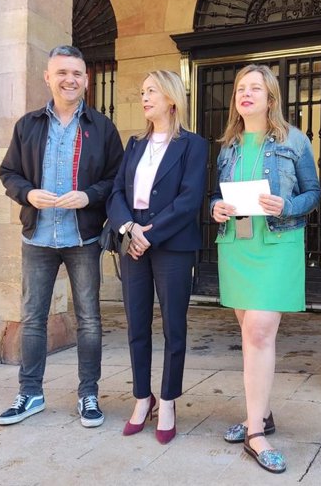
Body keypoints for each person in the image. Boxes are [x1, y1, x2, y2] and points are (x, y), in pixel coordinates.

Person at [0, 45, 124, 427]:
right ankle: (30, 393)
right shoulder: (28, 125)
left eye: (77, 74)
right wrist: (27, 193)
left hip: (83, 238)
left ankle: (88, 395)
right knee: (32, 318)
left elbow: (117, 180)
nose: (70, 80)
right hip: (37, 237)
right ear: (48, 78)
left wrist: (89, 196)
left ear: (87, 79)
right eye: (62, 73)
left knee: (89, 319)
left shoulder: (102, 128)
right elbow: (9, 173)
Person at [211, 64, 321, 473]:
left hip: (276, 245)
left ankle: (255, 433)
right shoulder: (229, 146)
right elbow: (216, 197)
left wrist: (287, 205)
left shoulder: (294, 139)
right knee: (249, 331)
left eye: (255, 88)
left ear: (270, 97)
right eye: (241, 88)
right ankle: (263, 414)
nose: (246, 94)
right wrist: (214, 208)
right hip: (237, 247)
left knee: (258, 330)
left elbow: (313, 192)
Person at [106, 70, 207, 445]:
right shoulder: (134, 145)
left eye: (151, 91)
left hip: (172, 243)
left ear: (171, 98)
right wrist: (128, 229)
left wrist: (150, 235)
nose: (144, 96)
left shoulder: (192, 145)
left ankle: (167, 401)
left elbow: (189, 198)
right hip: (133, 238)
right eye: (143, 90)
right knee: (136, 325)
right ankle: (141, 397)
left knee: (173, 327)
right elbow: (116, 193)